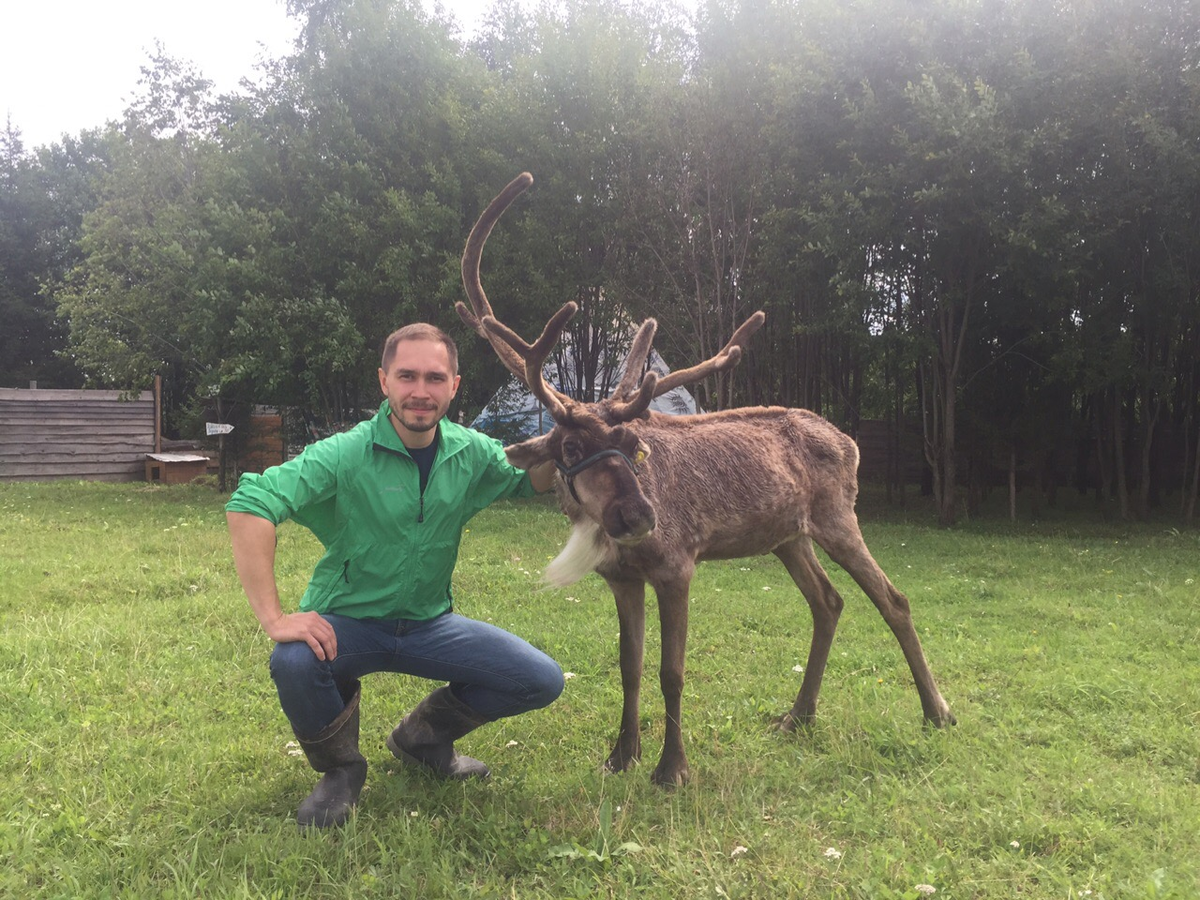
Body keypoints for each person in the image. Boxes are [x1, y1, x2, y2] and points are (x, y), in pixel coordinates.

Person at [226, 323, 563, 829]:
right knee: (294, 661)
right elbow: (253, 501)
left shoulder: (470, 453)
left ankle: (422, 738)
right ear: (384, 381)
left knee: (539, 680)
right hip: (348, 624)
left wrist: (564, 441)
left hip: (430, 626)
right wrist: (274, 618)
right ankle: (341, 770)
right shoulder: (345, 453)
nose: (420, 392)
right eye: (407, 376)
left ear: (454, 385)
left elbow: (527, 481)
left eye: (434, 377)